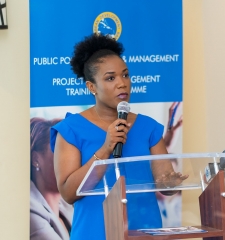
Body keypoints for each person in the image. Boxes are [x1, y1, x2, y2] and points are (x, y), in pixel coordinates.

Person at [50, 33, 187, 240]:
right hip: (93, 233)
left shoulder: (148, 127)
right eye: (110, 78)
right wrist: (106, 147)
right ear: (91, 87)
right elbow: (69, 193)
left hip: (143, 232)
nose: (122, 83)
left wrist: (170, 184)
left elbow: (164, 185)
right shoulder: (71, 129)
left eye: (125, 75)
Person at [30, 117, 73, 240]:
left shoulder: (69, 204)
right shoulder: (29, 210)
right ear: (35, 159)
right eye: (60, 151)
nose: (71, 161)